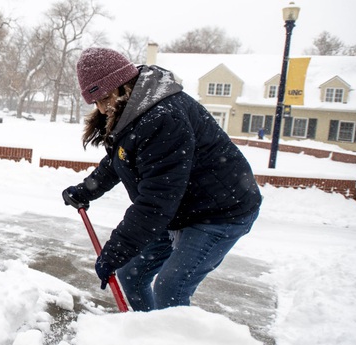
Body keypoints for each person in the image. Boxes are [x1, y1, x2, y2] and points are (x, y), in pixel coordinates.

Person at [62, 48, 262, 311]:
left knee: (171, 287)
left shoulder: (162, 117)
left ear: (124, 85)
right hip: (180, 208)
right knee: (131, 275)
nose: (102, 108)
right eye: (96, 102)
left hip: (221, 211)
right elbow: (120, 158)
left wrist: (114, 251)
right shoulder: (132, 111)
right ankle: (148, 336)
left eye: (106, 97)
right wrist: (87, 190)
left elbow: (156, 200)